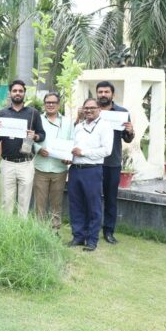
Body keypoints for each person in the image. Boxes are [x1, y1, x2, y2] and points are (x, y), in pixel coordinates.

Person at [0, 80, 46, 217]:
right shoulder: (2, 113)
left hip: (26, 163)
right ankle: (6, 230)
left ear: (24, 93)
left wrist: (35, 136)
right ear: (10, 93)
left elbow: (42, 135)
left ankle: (22, 232)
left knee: (24, 201)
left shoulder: (33, 113)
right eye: (15, 91)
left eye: (20, 91)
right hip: (7, 163)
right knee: (6, 201)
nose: (17, 93)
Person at [68, 98, 113, 252]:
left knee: (93, 206)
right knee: (76, 204)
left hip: (92, 170)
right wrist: (68, 157)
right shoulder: (78, 127)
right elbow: (72, 146)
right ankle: (78, 236)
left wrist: (83, 152)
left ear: (99, 109)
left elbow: (107, 150)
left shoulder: (105, 126)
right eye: (86, 108)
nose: (88, 111)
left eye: (92, 108)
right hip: (75, 169)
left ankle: (92, 240)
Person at [97, 81, 135, 244]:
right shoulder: (91, 110)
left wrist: (130, 131)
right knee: (92, 196)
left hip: (112, 162)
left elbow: (127, 139)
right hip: (92, 161)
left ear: (113, 94)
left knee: (111, 199)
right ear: (96, 93)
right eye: (100, 92)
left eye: (106, 92)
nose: (103, 95)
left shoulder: (122, 112)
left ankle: (108, 231)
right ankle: (89, 228)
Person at [33, 93, 74, 233]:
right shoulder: (37, 119)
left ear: (59, 104)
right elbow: (29, 139)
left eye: (53, 102)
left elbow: (72, 141)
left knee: (56, 202)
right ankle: (39, 230)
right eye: (47, 102)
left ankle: (55, 230)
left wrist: (69, 157)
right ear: (44, 104)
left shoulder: (68, 122)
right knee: (40, 202)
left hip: (59, 168)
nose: (50, 105)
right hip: (40, 167)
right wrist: (38, 149)